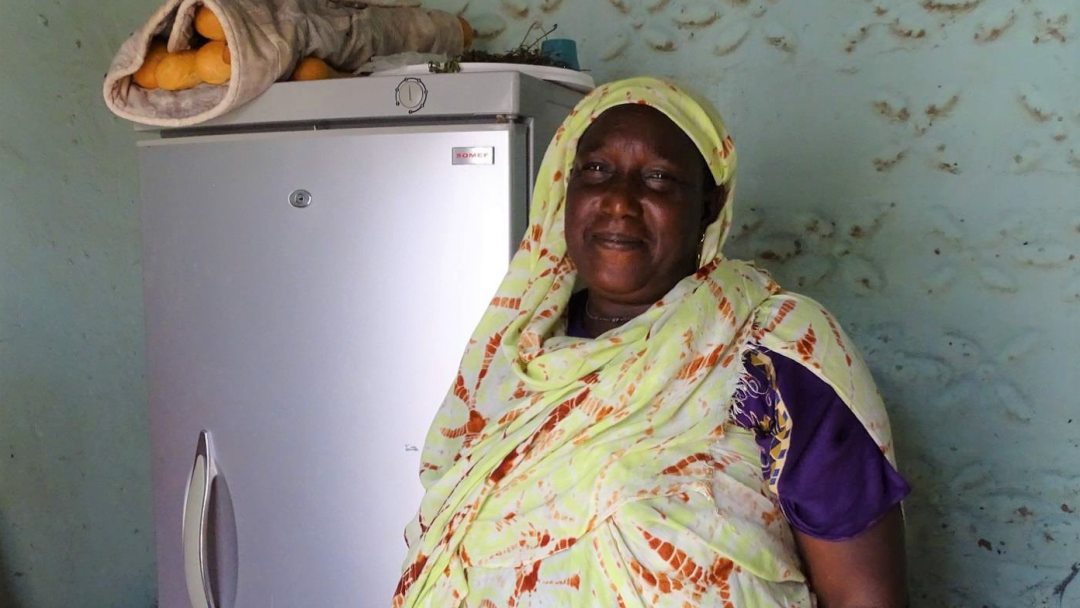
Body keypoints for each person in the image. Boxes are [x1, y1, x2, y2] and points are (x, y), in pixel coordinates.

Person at [392, 77, 910, 607]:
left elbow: (863, 594)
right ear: (563, 190)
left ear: (708, 206)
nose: (619, 202)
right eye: (597, 170)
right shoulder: (515, 357)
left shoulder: (772, 346)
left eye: (659, 178)